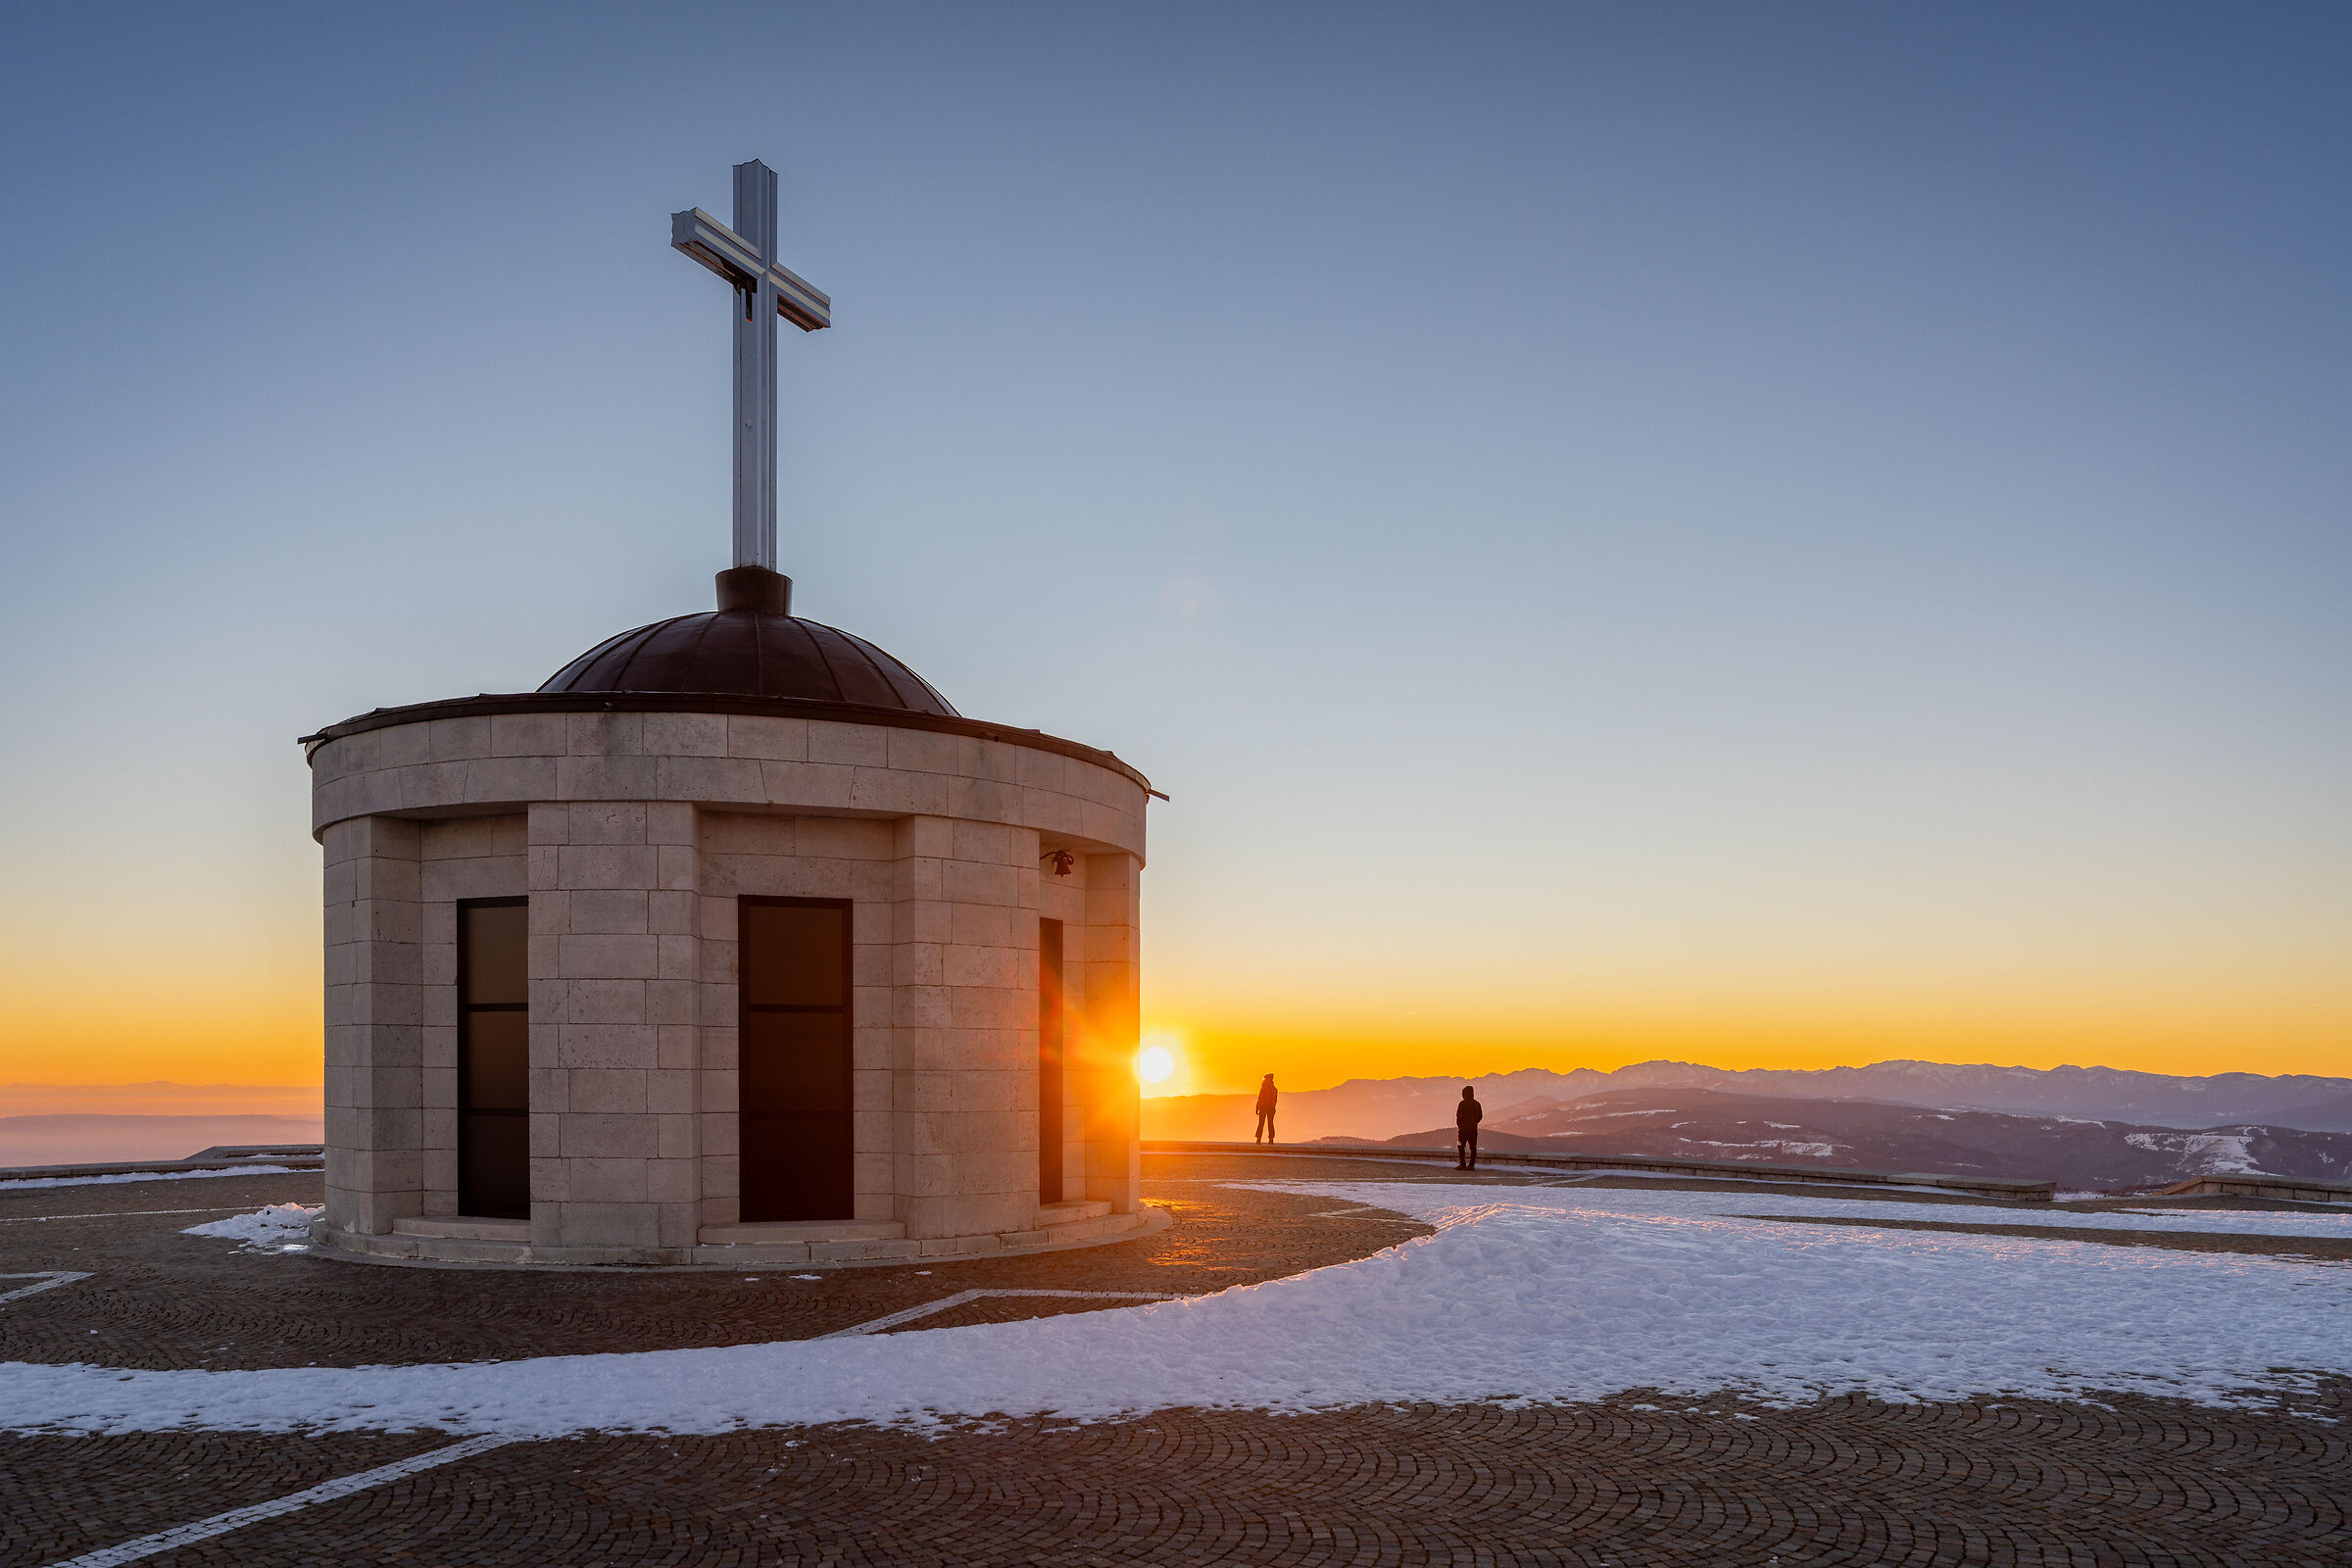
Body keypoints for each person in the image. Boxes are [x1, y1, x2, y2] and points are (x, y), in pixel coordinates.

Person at [1455, 1085, 1483, 1170]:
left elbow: (1459, 1116)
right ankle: (1471, 1165)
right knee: (1473, 1147)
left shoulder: (1462, 1104)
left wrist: (1460, 1125)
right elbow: (1480, 1116)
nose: (1462, 1094)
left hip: (1463, 1130)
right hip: (1473, 1130)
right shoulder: (1477, 1104)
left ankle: (1462, 1164)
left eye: (1463, 1093)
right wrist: (1474, 1123)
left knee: (1460, 1146)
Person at [1253, 1074, 1278, 1144]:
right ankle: (1271, 1139)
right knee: (1270, 1123)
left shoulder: (1264, 1089)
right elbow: (1274, 1100)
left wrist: (1257, 1107)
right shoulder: (1274, 1089)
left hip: (1264, 1107)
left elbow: (1260, 1099)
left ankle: (1259, 1139)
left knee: (1261, 1123)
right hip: (1270, 1108)